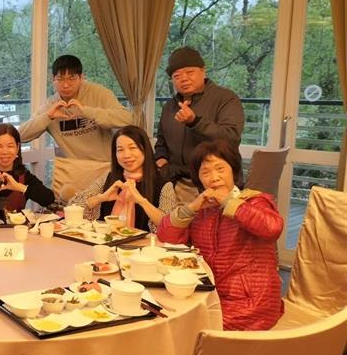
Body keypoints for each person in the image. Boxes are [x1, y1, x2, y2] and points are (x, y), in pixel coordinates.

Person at [157, 140, 284, 331]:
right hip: (210, 294)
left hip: (251, 302)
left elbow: (272, 228)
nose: (214, 177)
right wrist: (191, 208)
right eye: (205, 172)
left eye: (220, 169)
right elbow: (167, 237)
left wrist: (229, 202)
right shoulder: (203, 210)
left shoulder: (254, 201)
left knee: (185, 327)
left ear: (233, 170)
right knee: (163, 315)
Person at [19, 54, 132, 200]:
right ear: (53, 80)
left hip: (106, 168)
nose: (66, 85)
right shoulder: (51, 105)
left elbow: (126, 118)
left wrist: (87, 111)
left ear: (81, 77)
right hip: (75, 173)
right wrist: (48, 117)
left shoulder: (98, 93)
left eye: (71, 78)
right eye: (60, 79)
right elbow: (20, 135)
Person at [154, 46, 245, 203]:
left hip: (214, 183)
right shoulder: (169, 106)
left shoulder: (226, 98)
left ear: (203, 71)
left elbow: (231, 137)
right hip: (175, 181)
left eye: (190, 72)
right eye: (177, 76)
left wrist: (194, 122)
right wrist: (160, 157)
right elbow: (161, 140)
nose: (184, 79)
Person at [68, 125, 177, 232]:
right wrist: (101, 198)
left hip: (143, 243)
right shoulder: (109, 178)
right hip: (105, 240)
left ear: (145, 149)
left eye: (132, 148)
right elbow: (72, 207)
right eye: (120, 150)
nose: (126, 155)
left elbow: (170, 226)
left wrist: (142, 202)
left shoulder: (164, 185)